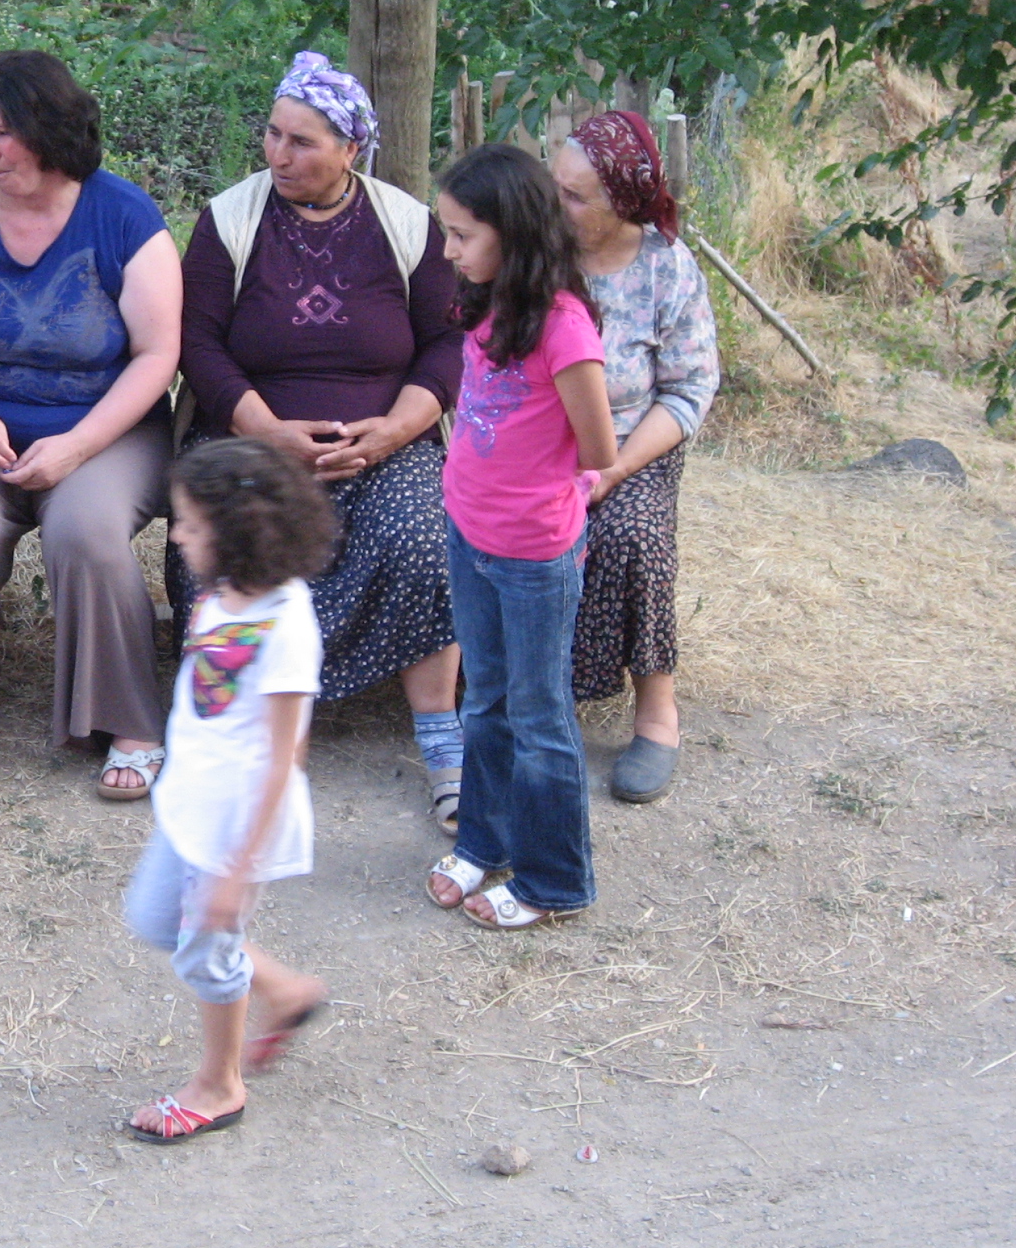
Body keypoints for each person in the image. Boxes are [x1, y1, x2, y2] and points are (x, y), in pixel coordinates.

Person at [176, 51, 466, 831]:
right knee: (223, 550)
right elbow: (197, 342)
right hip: (251, 443)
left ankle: (442, 739)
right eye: (272, 134)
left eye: (301, 141)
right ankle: (241, 737)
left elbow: (448, 343)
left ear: (350, 149)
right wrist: (264, 430)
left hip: (384, 444)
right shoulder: (228, 221)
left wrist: (396, 429)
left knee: (425, 542)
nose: (278, 154)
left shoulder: (405, 224)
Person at [0, 50, 181, 798]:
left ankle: (126, 716)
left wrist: (79, 444)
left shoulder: (124, 216)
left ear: (51, 127)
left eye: (2, 133)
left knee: (85, 530)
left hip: (107, 426)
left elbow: (158, 355)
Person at [424, 145, 618, 931]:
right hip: (469, 532)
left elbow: (599, 449)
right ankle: (485, 841)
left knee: (539, 717)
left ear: (515, 232)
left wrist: (540, 484)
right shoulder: (486, 302)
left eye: (462, 235)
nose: (448, 250)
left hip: (534, 554)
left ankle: (553, 880)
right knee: (486, 700)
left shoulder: (564, 327)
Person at [121, 438, 334, 1143]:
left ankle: (219, 1086)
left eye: (190, 524)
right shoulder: (220, 595)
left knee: (204, 950)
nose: (176, 535)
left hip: (235, 828)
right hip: (191, 805)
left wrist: (238, 872)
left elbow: (282, 760)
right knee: (156, 920)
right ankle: (285, 990)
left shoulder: (287, 624)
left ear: (238, 532)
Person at [552, 111, 721, 803]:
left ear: (622, 202)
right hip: (541, 443)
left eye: (574, 196)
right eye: (555, 186)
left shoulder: (666, 267)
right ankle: (529, 700)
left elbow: (688, 389)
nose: (556, 205)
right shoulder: (539, 253)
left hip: (633, 445)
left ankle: (656, 711)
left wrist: (614, 469)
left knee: (633, 534)